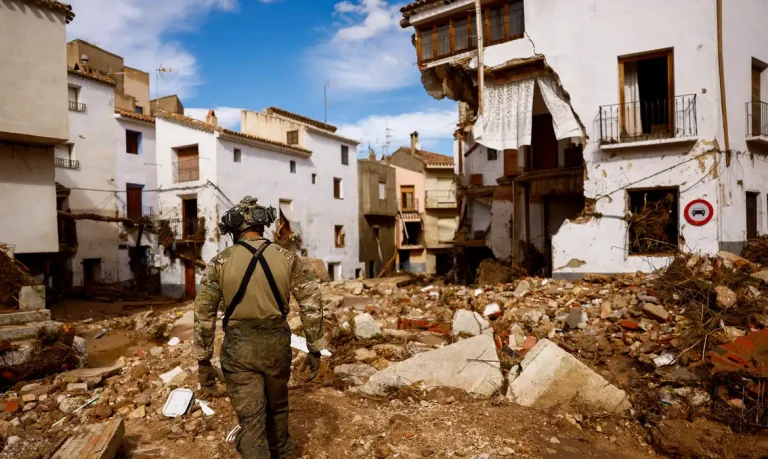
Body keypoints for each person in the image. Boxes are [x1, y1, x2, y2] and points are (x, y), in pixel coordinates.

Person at [192, 196, 326, 458]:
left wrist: (203, 362)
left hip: (240, 351)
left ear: (233, 229)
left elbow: (203, 314)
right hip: (276, 347)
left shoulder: (219, 262)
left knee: (252, 423)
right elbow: (312, 302)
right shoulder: (288, 258)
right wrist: (315, 349)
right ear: (263, 225)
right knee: (278, 412)